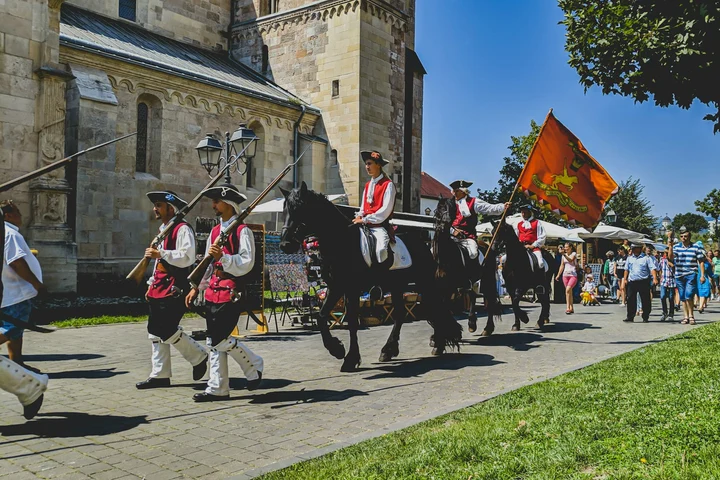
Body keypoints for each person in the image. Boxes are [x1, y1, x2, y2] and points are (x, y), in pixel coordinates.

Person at [185, 184, 263, 402]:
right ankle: (219, 387)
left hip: (231, 292)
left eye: (217, 202)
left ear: (228, 204)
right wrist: (195, 288)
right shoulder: (214, 232)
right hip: (213, 291)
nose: (214, 206)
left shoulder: (242, 230)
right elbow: (208, 265)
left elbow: (247, 263)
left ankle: (253, 365)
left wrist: (224, 258)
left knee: (218, 339)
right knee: (214, 340)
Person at [136, 191, 208, 390]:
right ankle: (160, 374)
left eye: (159, 205)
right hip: (159, 285)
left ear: (171, 208)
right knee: (154, 331)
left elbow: (188, 256)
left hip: (174, 286)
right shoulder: (164, 229)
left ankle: (198, 356)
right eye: (156, 205)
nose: (155, 209)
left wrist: (162, 252)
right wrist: (151, 283)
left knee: (166, 330)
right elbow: (159, 262)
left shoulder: (183, 229)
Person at [0, 200, 45, 373]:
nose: (21, 215)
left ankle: (16, 362)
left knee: (16, 330)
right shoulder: (10, 234)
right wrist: (38, 285)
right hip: (16, 292)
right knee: (13, 327)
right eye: (17, 212)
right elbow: (16, 263)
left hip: (8, 292)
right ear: (8, 215)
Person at [447, 179, 508, 264]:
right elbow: (444, 221)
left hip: (467, 237)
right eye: (454, 191)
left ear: (464, 192)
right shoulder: (449, 204)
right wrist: (453, 231)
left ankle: (474, 275)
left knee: (473, 253)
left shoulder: (474, 202)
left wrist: (502, 207)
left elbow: (489, 208)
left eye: (457, 191)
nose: (454, 193)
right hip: (450, 236)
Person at [354, 151, 396, 270]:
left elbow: (385, 211)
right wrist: (359, 216)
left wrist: (366, 219)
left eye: (369, 163)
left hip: (379, 226)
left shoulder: (388, 185)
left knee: (381, 250)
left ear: (378, 165)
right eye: (366, 164)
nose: (367, 167)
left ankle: (381, 280)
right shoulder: (367, 185)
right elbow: (363, 207)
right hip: (365, 225)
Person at [668, 228, 705, 325]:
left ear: (689, 237)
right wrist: (670, 246)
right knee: (683, 297)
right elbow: (670, 258)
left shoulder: (696, 247)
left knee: (689, 295)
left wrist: (702, 275)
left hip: (691, 274)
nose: (683, 238)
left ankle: (691, 316)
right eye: (681, 237)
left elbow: (701, 261)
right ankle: (685, 316)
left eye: (685, 236)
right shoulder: (676, 247)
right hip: (679, 274)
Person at [622, 243, 658, 323]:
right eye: (633, 248)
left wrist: (655, 278)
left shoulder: (646, 258)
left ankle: (645, 316)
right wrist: (625, 279)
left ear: (640, 248)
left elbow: (652, 268)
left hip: (643, 281)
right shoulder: (629, 258)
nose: (633, 250)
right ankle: (630, 316)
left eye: (635, 248)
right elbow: (626, 269)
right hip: (632, 281)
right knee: (631, 299)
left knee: (645, 300)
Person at [513, 204, 547, 272]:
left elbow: (542, 236)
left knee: (540, 262)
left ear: (530, 213)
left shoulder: (537, 223)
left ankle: (540, 280)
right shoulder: (519, 224)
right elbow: (516, 236)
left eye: (525, 212)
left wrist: (533, 245)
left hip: (533, 248)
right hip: (521, 247)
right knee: (504, 259)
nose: (523, 214)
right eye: (522, 212)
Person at [555, 242, 578, 314]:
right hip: (565, 275)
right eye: (565, 247)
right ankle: (571, 307)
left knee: (568, 289)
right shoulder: (563, 256)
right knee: (568, 292)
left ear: (570, 247)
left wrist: (563, 254)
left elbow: (570, 260)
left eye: (567, 247)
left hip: (573, 275)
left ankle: (568, 308)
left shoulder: (574, 254)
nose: (565, 248)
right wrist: (558, 275)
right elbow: (562, 266)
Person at [658, 251, 676, 321]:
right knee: (662, 296)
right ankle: (664, 312)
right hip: (664, 280)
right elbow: (659, 268)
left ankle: (671, 314)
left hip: (672, 280)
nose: (665, 254)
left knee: (671, 298)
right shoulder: (662, 260)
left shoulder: (674, 260)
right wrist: (660, 276)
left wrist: (672, 265)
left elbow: (676, 269)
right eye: (665, 253)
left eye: (667, 252)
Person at [696, 247, 712, 313]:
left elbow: (710, 273)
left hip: (705, 279)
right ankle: (700, 305)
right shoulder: (696, 263)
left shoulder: (707, 264)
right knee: (699, 293)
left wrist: (712, 277)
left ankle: (700, 307)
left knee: (704, 292)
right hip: (697, 279)